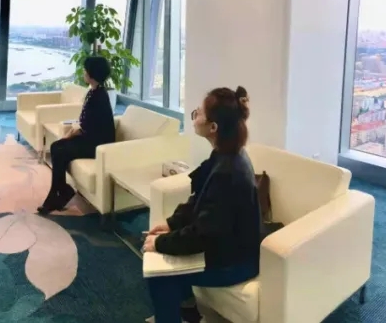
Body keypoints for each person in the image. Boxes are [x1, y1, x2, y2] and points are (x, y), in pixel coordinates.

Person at [143, 87, 262, 323]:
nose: (194, 116)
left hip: (236, 262)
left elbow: (204, 235)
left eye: (198, 113)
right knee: (162, 249)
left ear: (213, 127)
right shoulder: (225, 154)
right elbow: (198, 200)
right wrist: (171, 224)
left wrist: (161, 243)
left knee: (158, 275)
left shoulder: (228, 171)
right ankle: (189, 313)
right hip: (227, 246)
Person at [38, 56, 116, 213]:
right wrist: (69, 135)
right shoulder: (94, 92)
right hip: (90, 138)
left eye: (85, 70)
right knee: (57, 147)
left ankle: (58, 193)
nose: (83, 72)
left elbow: (86, 127)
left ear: (92, 74)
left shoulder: (99, 96)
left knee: (59, 148)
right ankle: (60, 191)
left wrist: (68, 137)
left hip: (98, 145)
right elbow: (85, 123)